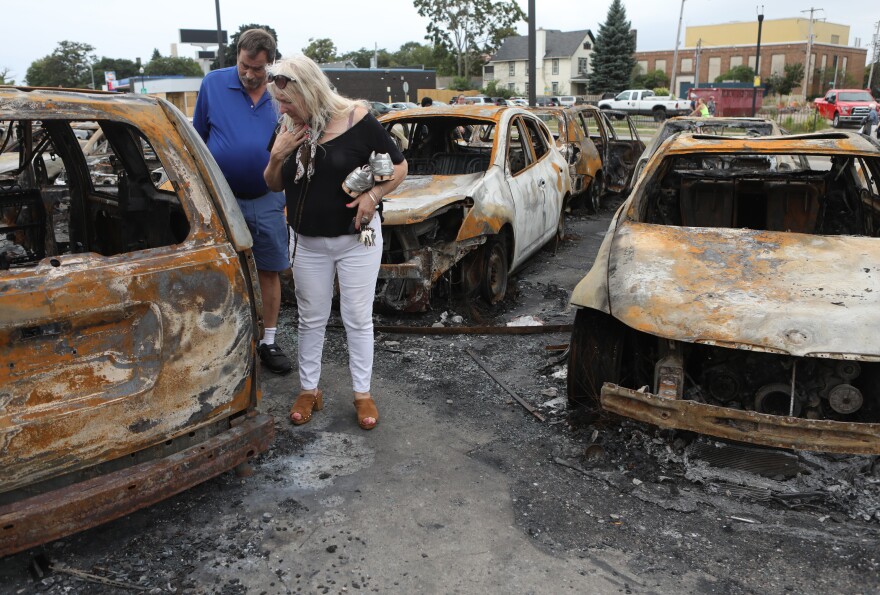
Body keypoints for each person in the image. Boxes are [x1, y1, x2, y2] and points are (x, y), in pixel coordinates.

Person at [264, 55, 408, 430]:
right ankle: (309, 389)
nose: (282, 108)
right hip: (307, 242)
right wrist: (277, 155)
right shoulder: (287, 127)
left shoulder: (357, 120)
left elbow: (399, 167)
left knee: (357, 318)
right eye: (279, 102)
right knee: (311, 318)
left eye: (288, 101)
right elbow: (274, 183)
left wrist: (372, 197)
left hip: (355, 239)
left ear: (309, 92)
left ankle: (363, 394)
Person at [193, 28, 292, 375]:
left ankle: (269, 340)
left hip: (268, 197)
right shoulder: (213, 84)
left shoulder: (284, 91)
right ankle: (225, 337)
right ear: (237, 56)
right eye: (244, 66)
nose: (250, 75)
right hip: (224, 197)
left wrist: (288, 198)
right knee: (222, 268)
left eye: (258, 69)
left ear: (271, 64)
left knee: (269, 267)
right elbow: (198, 142)